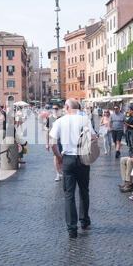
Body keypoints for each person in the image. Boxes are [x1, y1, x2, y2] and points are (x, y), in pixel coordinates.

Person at [49, 98, 98, 239]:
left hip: (68, 159)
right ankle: (84, 221)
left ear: (66, 107)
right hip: (83, 159)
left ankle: (72, 229)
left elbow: (53, 145)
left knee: (69, 195)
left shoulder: (59, 121)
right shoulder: (85, 119)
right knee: (84, 191)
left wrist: (59, 158)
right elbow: (94, 139)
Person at [46, 103, 63, 181]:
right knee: (56, 156)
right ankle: (58, 174)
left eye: (56, 108)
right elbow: (47, 131)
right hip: (54, 140)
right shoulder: (50, 118)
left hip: (63, 140)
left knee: (63, 156)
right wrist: (47, 143)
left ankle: (62, 170)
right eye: (53, 109)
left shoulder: (62, 118)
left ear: (59, 109)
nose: (54, 110)